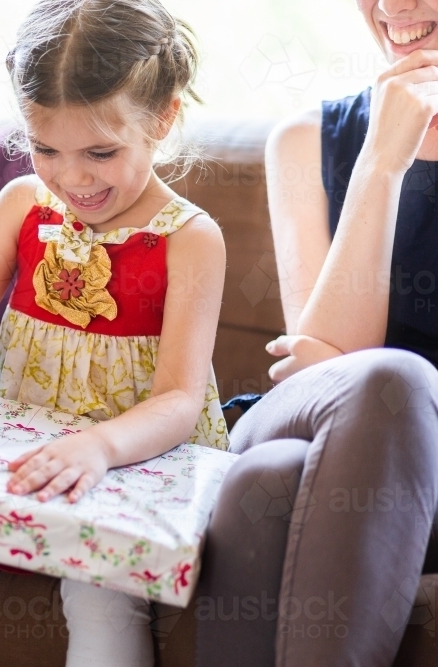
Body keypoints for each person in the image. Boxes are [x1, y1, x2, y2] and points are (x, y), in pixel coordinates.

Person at [0, 1, 230, 665]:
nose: (72, 178)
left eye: (101, 151)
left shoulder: (190, 240)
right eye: (46, 148)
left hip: (130, 469)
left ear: (163, 118)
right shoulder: (22, 207)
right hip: (24, 465)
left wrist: (98, 446)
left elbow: (181, 400)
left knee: (96, 592)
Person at [195, 1, 438, 664]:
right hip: (311, 420)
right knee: (393, 378)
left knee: (266, 484)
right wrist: (381, 164)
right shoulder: (306, 142)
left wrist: (333, 360)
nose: (393, 7)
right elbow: (337, 374)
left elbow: (335, 360)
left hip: (401, 465)